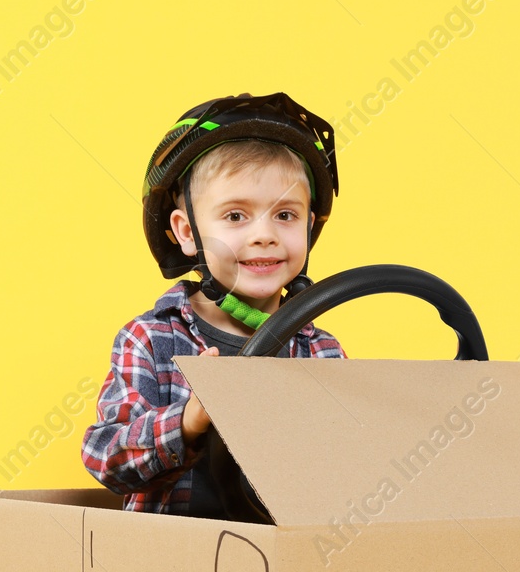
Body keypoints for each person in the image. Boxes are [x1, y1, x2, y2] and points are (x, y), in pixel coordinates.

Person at [81, 92, 347, 516]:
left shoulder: (321, 352)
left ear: (310, 225)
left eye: (285, 215)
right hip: (170, 566)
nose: (265, 235)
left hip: (283, 569)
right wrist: (189, 421)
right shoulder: (152, 340)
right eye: (236, 216)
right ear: (187, 233)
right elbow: (104, 456)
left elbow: (345, 475)